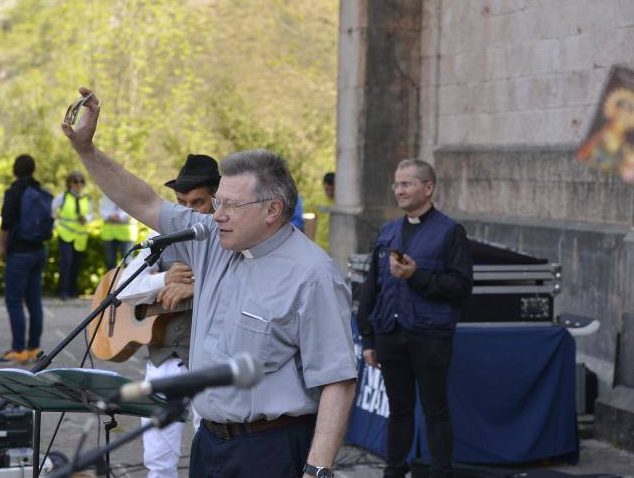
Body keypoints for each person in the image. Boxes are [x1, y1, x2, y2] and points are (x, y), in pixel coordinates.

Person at [62, 87, 356, 478]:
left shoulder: (313, 274)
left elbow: (337, 380)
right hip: (208, 443)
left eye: (231, 205)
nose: (217, 215)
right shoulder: (212, 241)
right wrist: (87, 151)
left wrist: (317, 470)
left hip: (271, 448)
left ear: (273, 209)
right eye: (217, 202)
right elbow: (145, 201)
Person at [356, 159, 473, 478]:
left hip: (430, 336)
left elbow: (461, 287)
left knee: (436, 411)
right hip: (389, 335)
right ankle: (394, 472)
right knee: (399, 410)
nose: (399, 190)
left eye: (406, 183)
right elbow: (371, 287)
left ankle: (440, 473)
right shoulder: (387, 231)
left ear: (428, 187)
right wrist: (367, 337)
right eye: (396, 184)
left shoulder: (450, 231)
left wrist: (416, 276)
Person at [117, 154, 220, 478]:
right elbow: (121, 290)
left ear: (217, 200)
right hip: (163, 360)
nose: (188, 210)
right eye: (180, 202)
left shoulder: (231, 239)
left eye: (198, 202)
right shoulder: (161, 238)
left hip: (211, 364)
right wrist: (164, 280)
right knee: (158, 459)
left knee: (212, 454)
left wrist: (198, 287)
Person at [0, 154, 51, 363]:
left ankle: (18, 350)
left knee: (14, 301)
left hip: (19, 253)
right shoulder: (39, 191)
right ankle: (34, 348)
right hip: (39, 251)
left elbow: (6, 223)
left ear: (14, 170)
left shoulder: (14, 192)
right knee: (34, 301)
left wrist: (1, 245)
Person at [52, 171, 93, 300]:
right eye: (75, 181)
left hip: (80, 236)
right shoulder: (62, 196)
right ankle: (62, 292)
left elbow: (91, 214)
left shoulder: (87, 198)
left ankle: (72, 291)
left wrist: (86, 218)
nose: (79, 184)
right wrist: (56, 223)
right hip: (65, 234)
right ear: (69, 183)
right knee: (66, 262)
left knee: (76, 263)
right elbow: (52, 210)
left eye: (81, 181)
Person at [100, 194, 137, 270]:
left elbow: (134, 209)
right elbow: (102, 209)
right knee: (110, 263)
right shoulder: (106, 193)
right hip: (109, 233)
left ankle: (128, 282)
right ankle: (112, 282)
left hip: (126, 233)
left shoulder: (130, 192)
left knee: (128, 262)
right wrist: (110, 216)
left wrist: (119, 217)